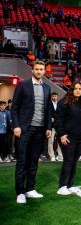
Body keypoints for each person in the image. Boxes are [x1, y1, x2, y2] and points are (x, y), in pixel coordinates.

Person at [12, 60, 52, 204]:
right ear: (32, 70)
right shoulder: (23, 85)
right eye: (37, 69)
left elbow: (48, 110)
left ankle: (30, 189)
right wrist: (16, 125)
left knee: (34, 161)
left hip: (40, 130)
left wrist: (48, 127)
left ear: (44, 71)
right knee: (22, 161)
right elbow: (15, 107)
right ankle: (20, 192)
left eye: (41, 69)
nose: (39, 71)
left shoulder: (47, 88)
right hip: (24, 129)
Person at [55, 82, 81, 195]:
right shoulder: (64, 102)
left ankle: (70, 185)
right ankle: (62, 186)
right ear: (71, 90)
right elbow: (58, 120)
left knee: (74, 162)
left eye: (80, 89)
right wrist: (61, 134)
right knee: (68, 161)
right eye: (75, 88)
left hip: (80, 138)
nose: (78, 90)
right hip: (68, 137)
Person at [48, 92, 63, 162]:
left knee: (60, 141)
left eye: (55, 96)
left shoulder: (60, 104)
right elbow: (47, 113)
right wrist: (50, 118)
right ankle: (52, 156)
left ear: (57, 97)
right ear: (51, 97)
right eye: (53, 96)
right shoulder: (49, 104)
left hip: (59, 126)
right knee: (51, 141)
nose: (54, 97)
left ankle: (60, 156)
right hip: (52, 126)